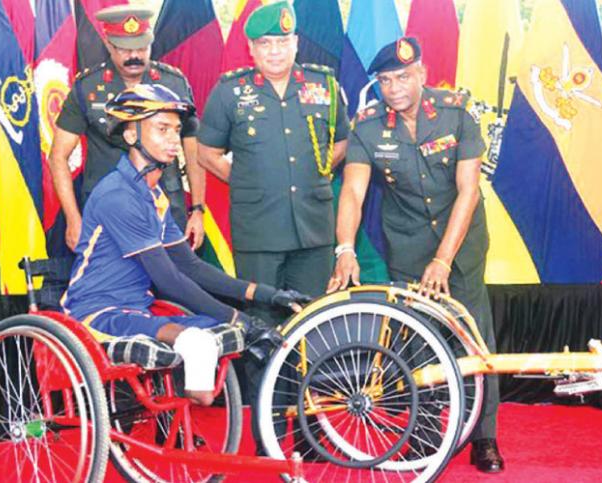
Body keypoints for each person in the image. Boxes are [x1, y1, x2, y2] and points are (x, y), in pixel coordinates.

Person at [60, 84, 306, 405]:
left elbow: (190, 266)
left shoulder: (153, 194)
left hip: (138, 308)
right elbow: (169, 280)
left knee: (215, 331)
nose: (174, 140)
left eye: (176, 130)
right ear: (132, 136)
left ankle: (183, 415)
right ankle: (192, 402)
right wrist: (242, 321)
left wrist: (266, 294)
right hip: (97, 313)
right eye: (162, 129)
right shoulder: (118, 196)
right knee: (203, 343)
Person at [328, 37, 504, 473]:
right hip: (406, 244)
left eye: (403, 76)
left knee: (472, 334)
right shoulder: (367, 126)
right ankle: (425, 432)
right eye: (385, 80)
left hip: (460, 244)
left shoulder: (457, 112)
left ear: (422, 73)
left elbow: (468, 191)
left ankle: (484, 437)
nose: (395, 88)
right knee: (416, 338)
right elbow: (352, 189)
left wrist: (443, 259)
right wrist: (345, 248)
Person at [197, 1, 348, 402]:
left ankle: (305, 424)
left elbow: (342, 143)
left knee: (311, 324)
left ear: (296, 43)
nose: (274, 51)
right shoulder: (230, 92)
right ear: (252, 49)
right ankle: (267, 425)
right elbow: (206, 153)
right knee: (261, 329)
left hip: (313, 230)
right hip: (259, 230)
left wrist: (312, 174)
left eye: (282, 42)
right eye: (265, 44)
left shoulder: (325, 86)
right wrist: (251, 181)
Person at [50, 5, 206, 252]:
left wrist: (197, 210)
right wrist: (73, 218)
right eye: (125, 49)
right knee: (114, 282)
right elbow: (58, 156)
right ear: (109, 46)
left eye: (142, 48)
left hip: (165, 207)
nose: (135, 56)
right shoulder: (87, 87)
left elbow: (193, 149)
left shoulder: (173, 83)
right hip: (108, 211)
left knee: (174, 283)